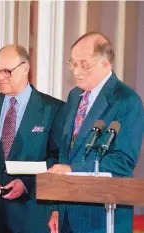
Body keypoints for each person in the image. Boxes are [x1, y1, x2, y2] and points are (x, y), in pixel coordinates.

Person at [48, 32, 144, 233]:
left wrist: (73, 170)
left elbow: (123, 160)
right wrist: (57, 208)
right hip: (67, 213)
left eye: (84, 64)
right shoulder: (75, 96)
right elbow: (66, 152)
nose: (76, 71)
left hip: (103, 216)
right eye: (73, 63)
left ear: (105, 63)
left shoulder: (126, 100)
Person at [0, 44, 64, 233]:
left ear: (25, 68)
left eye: (7, 71)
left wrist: (26, 184)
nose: (0, 77)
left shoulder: (53, 109)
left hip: (33, 217)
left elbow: (57, 159)